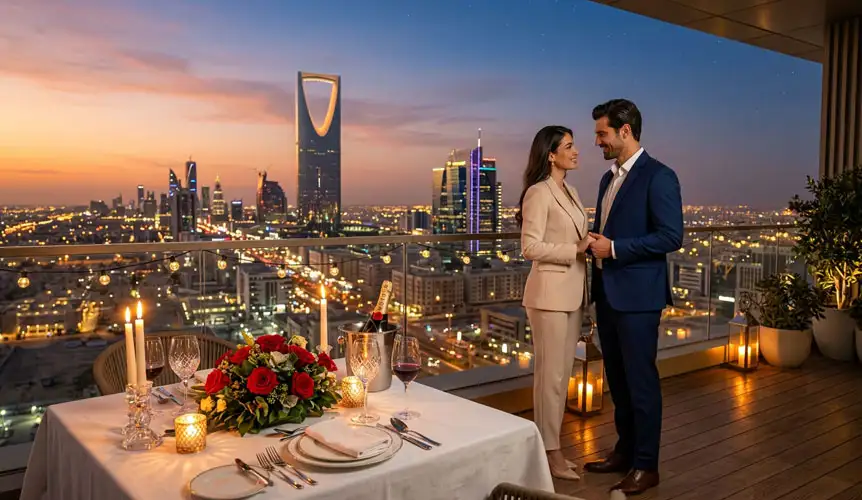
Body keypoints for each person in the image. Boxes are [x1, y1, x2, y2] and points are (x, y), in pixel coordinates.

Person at [582, 99, 683, 494]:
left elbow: (671, 235)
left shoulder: (660, 176)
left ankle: (647, 464)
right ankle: (624, 452)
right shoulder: (608, 180)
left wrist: (616, 248)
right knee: (618, 381)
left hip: (639, 298)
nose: (597, 141)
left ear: (626, 131)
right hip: (608, 294)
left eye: (602, 133)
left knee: (641, 382)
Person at [518, 125, 595, 481]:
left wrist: (588, 242)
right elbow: (529, 247)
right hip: (548, 296)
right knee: (550, 377)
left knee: (561, 376)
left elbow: (573, 237)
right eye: (569, 145)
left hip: (572, 294)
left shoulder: (572, 191)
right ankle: (550, 454)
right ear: (551, 154)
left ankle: (551, 447)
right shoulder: (538, 192)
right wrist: (574, 249)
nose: (576, 150)